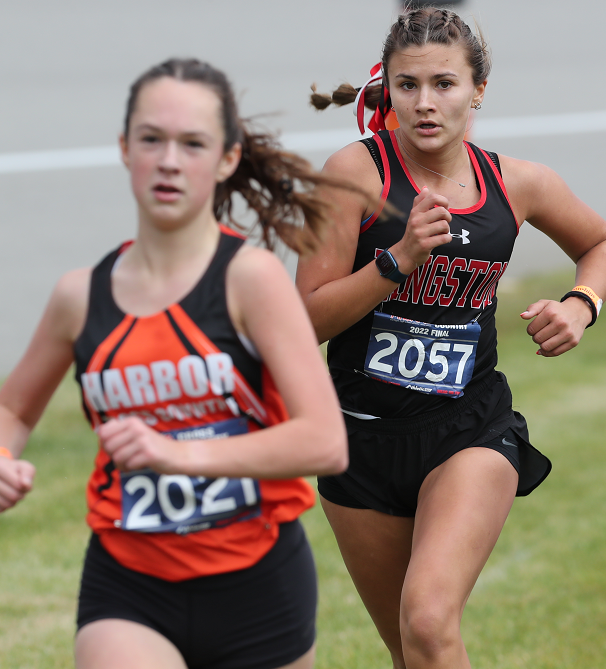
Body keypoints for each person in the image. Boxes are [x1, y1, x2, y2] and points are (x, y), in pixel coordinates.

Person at [297, 7, 606, 668]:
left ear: (477, 90)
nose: (425, 103)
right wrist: (395, 262)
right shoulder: (356, 175)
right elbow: (303, 321)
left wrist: (581, 305)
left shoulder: (517, 183)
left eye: (444, 84)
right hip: (360, 439)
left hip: (468, 428)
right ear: (386, 87)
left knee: (428, 615)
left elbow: (601, 243)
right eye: (408, 85)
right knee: (414, 647)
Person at [0, 58, 349, 669]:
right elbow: (11, 409)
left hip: (257, 584)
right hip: (128, 583)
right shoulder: (80, 297)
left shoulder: (250, 281)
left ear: (226, 160)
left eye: (192, 144)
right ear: (124, 148)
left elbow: (324, 442)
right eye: (151, 139)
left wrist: (179, 454)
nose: (168, 160)